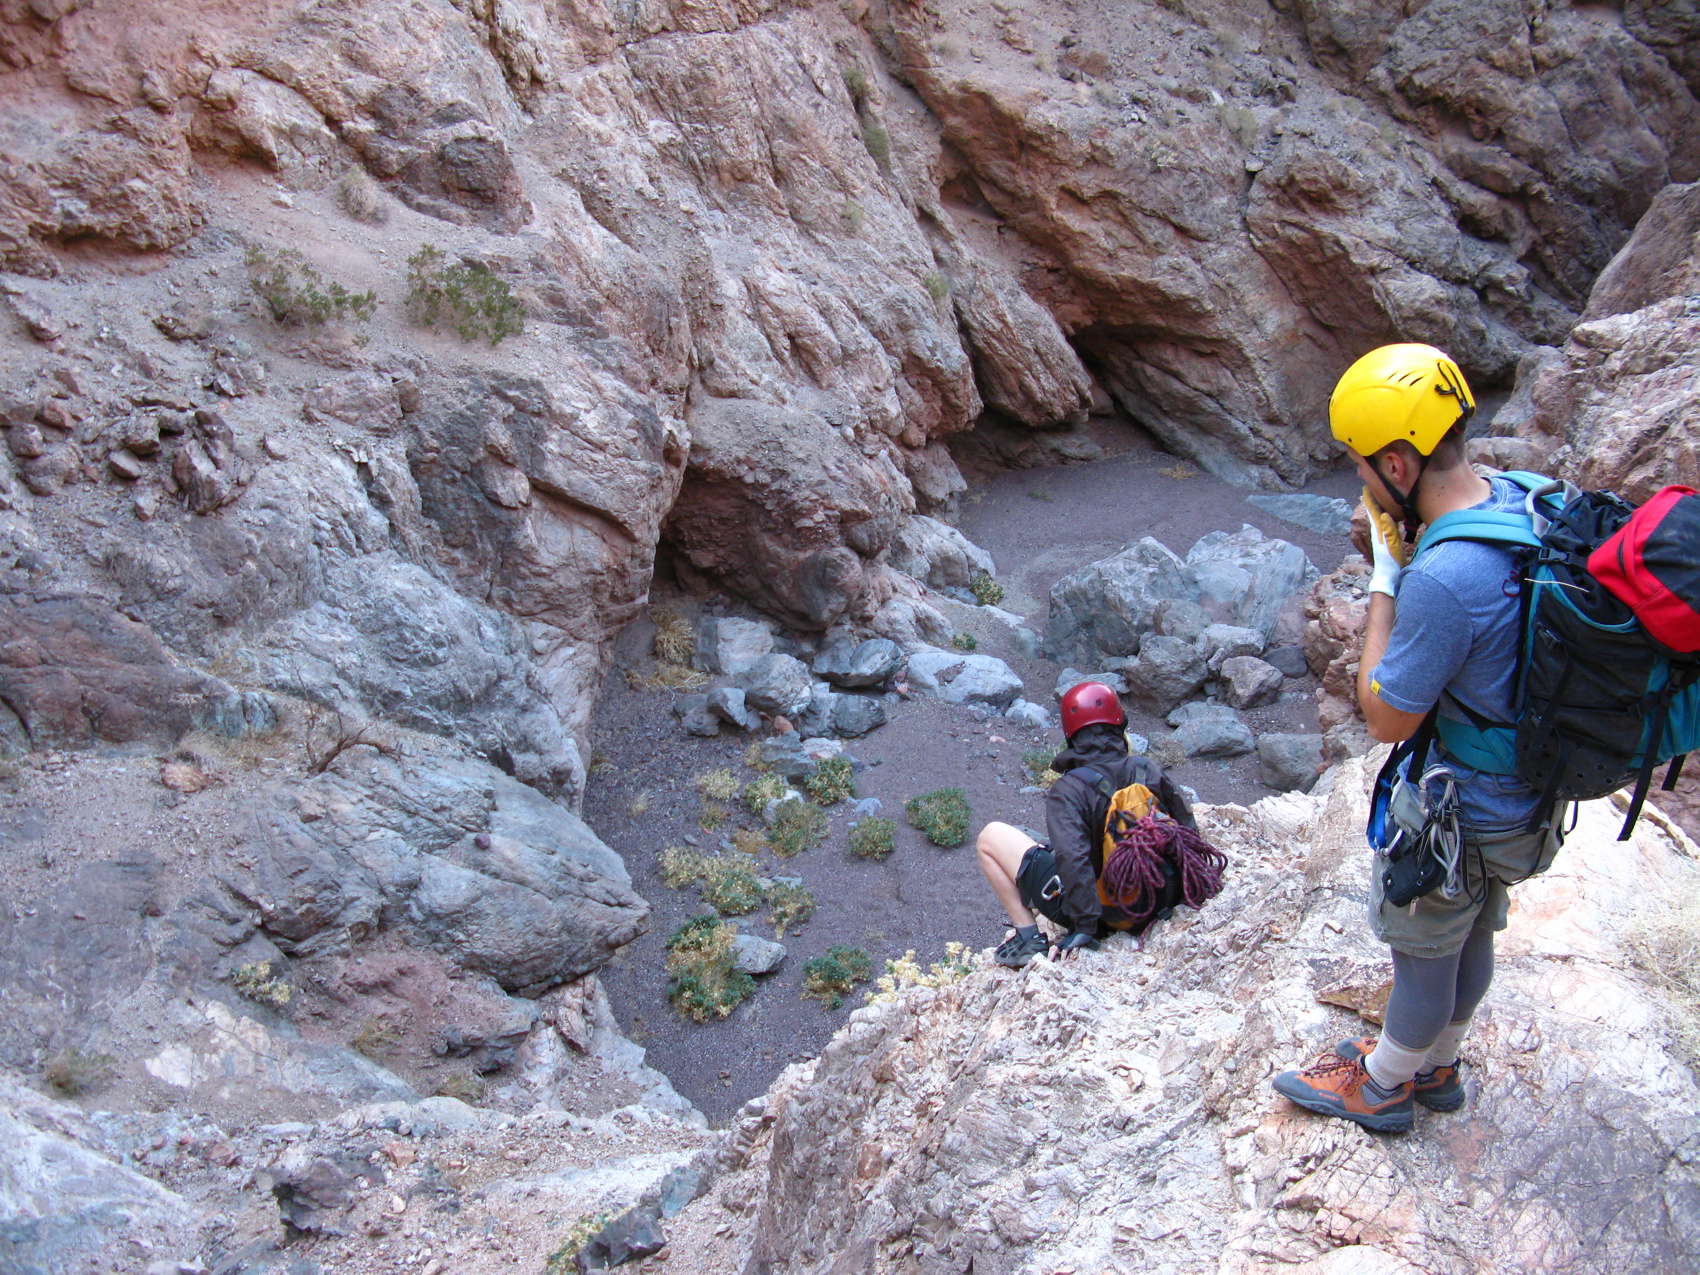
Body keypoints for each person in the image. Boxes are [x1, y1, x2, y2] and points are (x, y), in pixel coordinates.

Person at [1271, 343, 1568, 1134]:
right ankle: (1439, 1062)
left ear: (1397, 465)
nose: (1361, 480)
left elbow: (1386, 716)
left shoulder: (1444, 577)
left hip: (1465, 812)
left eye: (1362, 465)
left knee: (1426, 947)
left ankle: (1383, 1084)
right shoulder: (1523, 500)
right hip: (1526, 798)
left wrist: (1385, 577)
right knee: (1473, 928)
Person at [976, 680, 1197, 967]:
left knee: (991, 836)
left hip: (1105, 916)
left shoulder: (1069, 790)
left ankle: (1028, 938)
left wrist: (1085, 927)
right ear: (1119, 723)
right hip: (1156, 900)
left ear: (1071, 733)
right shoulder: (1147, 769)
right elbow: (1188, 830)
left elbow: (1072, 857)